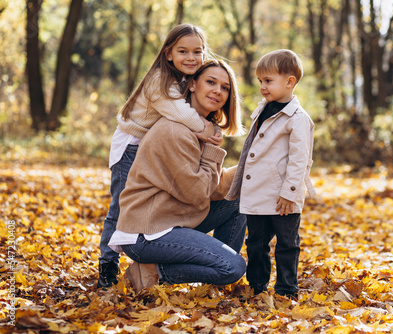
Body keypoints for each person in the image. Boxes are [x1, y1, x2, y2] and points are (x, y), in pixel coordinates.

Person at [98, 24, 224, 288]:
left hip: (152, 144)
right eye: (183, 51)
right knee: (120, 207)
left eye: (197, 52)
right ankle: (107, 266)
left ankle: (155, 247)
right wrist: (207, 130)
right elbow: (181, 114)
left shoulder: (184, 80)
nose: (191, 58)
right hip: (131, 145)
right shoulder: (159, 80)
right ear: (168, 54)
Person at [108, 59, 247, 292]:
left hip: (171, 219)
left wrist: (249, 173)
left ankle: (214, 281)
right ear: (192, 85)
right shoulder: (177, 131)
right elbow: (198, 193)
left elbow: (211, 187)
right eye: (210, 82)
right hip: (146, 233)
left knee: (238, 198)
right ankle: (152, 271)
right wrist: (212, 152)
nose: (218, 91)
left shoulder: (200, 128)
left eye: (225, 87)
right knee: (233, 267)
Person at [226, 49, 316, 299]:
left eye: (269, 81)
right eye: (260, 81)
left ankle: (287, 289)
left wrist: (289, 192)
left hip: (283, 196)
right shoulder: (263, 109)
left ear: (290, 82)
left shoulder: (297, 119)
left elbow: (300, 160)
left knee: (287, 244)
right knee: (256, 243)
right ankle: (257, 286)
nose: (263, 87)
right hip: (258, 192)